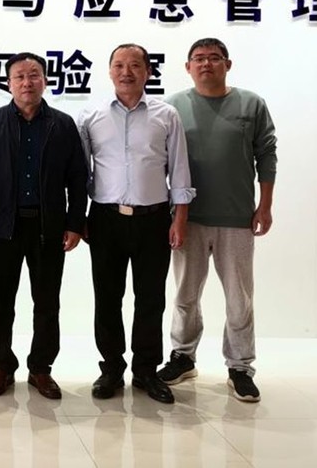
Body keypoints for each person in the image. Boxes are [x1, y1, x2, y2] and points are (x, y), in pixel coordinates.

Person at [157, 38, 277, 403]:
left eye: (214, 58)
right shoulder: (173, 107)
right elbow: (161, 161)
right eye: (199, 58)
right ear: (188, 67)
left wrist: (265, 206)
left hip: (237, 218)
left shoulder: (251, 104)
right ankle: (183, 356)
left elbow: (266, 154)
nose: (206, 64)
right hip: (188, 218)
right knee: (185, 294)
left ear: (228, 63)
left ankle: (240, 367)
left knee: (240, 298)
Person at [77, 43, 194, 404]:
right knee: (107, 298)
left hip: (153, 219)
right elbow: (80, 173)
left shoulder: (166, 115)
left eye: (134, 65)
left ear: (148, 71)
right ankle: (111, 369)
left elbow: (179, 170)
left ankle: (145, 371)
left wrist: (180, 218)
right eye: (119, 65)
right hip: (105, 219)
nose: (126, 72)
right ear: (109, 71)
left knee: (150, 298)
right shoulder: (91, 115)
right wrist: (79, 218)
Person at [0, 52, 88, 399]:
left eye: (34, 75)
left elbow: (78, 178)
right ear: (8, 83)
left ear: (45, 81)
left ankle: (40, 367)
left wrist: (75, 223)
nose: (27, 82)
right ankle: (2, 365)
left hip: (47, 226)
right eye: (20, 76)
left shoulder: (62, 124)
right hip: (2, 226)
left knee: (47, 301)